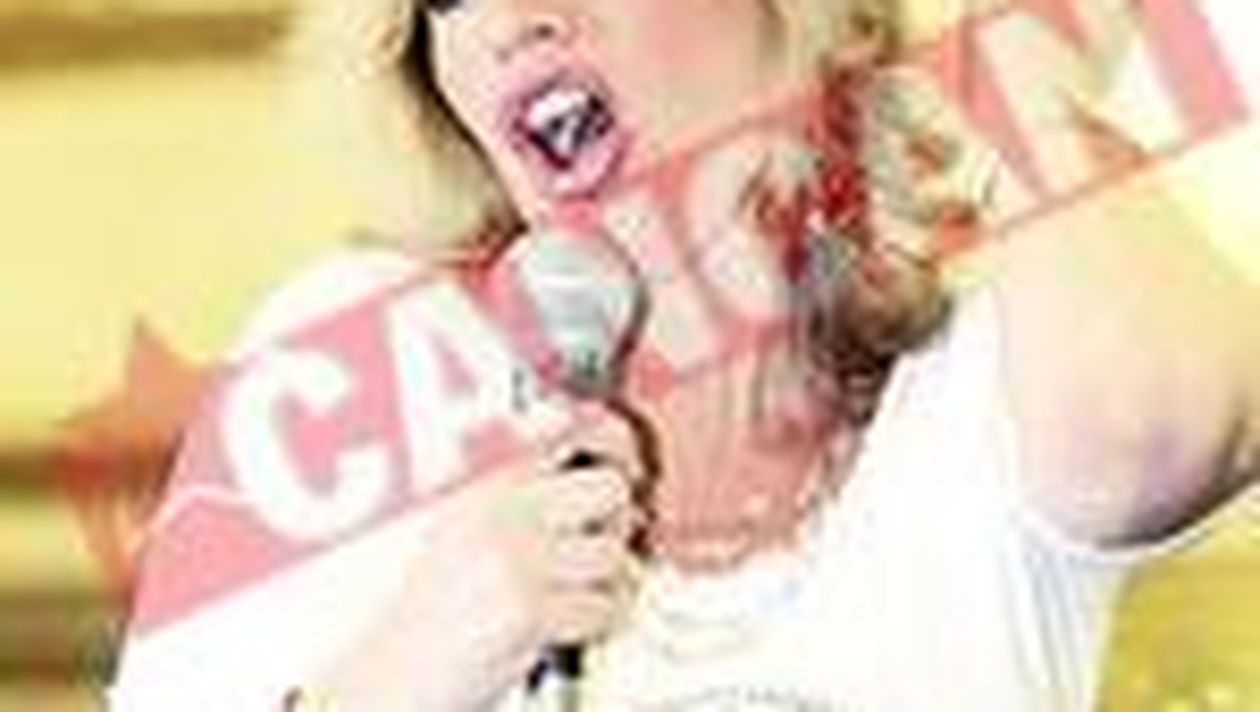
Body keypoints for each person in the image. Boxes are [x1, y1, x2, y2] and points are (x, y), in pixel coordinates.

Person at [109, 0, 1259, 710]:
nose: (507, 22)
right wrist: (408, 672)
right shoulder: (350, 374)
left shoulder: (987, 371)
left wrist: (967, 64)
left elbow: (1169, 426)